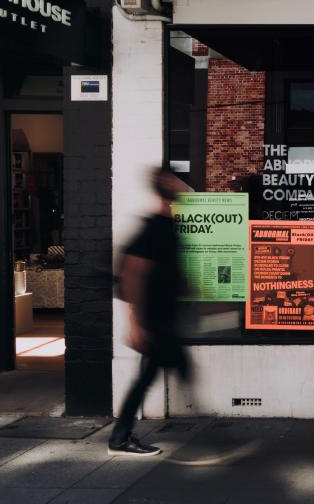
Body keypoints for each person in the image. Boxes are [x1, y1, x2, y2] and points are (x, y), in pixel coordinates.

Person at [108, 167, 190, 456]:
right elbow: (132, 274)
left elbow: (171, 272)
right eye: (174, 179)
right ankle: (119, 438)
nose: (181, 184)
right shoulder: (154, 226)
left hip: (166, 316)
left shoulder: (168, 225)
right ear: (164, 185)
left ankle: (120, 436)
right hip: (154, 320)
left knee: (165, 371)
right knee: (162, 373)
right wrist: (135, 323)